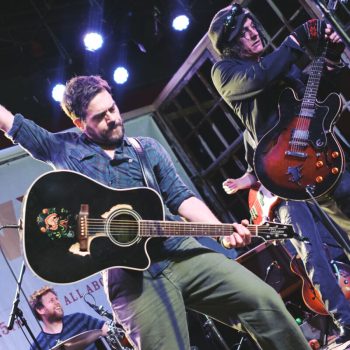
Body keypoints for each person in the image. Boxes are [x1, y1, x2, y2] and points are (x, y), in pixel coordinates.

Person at [0, 75, 310, 350]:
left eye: (112, 108)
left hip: (180, 253)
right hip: (133, 280)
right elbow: (11, 123)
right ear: (81, 123)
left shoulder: (144, 148)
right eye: (100, 116)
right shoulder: (63, 149)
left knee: (264, 302)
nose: (112, 118)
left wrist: (220, 229)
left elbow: (180, 197)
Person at [208, 2, 350, 345]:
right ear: (229, 44)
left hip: (315, 160)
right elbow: (259, 79)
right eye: (243, 31)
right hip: (281, 179)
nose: (253, 31)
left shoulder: (273, 64)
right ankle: (348, 322)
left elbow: (313, 95)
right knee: (314, 251)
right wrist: (298, 37)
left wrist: (329, 55)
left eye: (253, 25)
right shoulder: (226, 72)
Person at [28, 286, 109, 350]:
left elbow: (106, 329)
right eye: (51, 301)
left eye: (57, 299)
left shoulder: (79, 318)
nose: (57, 302)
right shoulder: (37, 346)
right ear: (40, 310)